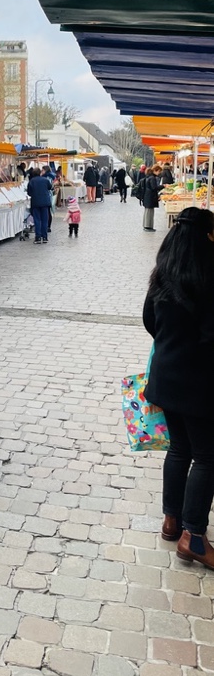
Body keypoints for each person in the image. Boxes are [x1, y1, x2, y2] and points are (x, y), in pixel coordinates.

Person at [143, 206, 214, 567]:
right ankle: (194, 537)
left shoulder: (163, 274)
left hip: (165, 376)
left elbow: (149, 320)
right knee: (207, 456)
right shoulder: (209, 277)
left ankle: (172, 521)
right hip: (199, 383)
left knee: (179, 449)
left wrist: (171, 342)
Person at [27, 168, 53, 243]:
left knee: (37, 220)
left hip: (35, 203)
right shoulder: (45, 180)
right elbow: (50, 187)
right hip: (45, 202)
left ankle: (38, 237)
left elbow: (29, 193)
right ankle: (44, 237)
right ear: (40, 173)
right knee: (45, 220)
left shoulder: (31, 181)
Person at [142, 164, 163, 232]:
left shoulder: (149, 176)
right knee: (149, 212)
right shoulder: (152, 178)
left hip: (148, 196)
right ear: (155, 170)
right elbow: (154, 188)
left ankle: (147, 226)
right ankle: (148, 226)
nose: (159, 173)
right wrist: (163, 186)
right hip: (150, 197)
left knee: (148, 211)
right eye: (159, 171)